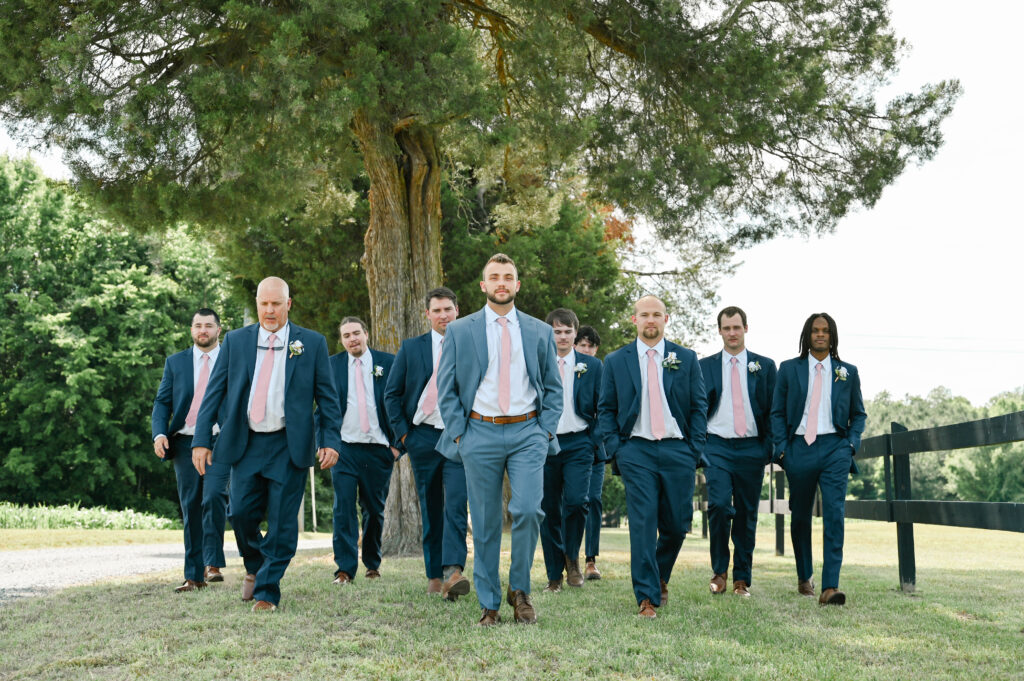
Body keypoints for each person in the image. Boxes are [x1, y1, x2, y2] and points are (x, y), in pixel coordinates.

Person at [192, 277, 342, 612]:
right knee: (241, 512)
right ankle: (255, 565)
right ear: (258, 304)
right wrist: (202, 440)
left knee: (283, 523)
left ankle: (267, 592)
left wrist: (330, 440)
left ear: (289, 304)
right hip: (245, 442)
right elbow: (213, 392)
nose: (270, 310)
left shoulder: (312, 343)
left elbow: (328, 399)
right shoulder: (236, 341)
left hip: (289, 445)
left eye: (277, 303)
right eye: (264, 303)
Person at [435, 253, 563, 626]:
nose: (502, 282)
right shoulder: (460, 330)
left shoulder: (540, 330)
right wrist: (461, 434)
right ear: (484, 285)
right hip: (479, 432)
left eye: (508, 276)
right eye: (495, 277)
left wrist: (546, 430)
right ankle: (489, 603)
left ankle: (519, 591)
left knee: (527, 510)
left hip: (528, 432)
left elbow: (553, 388)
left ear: (517, 284)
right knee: (488, 521)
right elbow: (446, 389)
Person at [597, 295, 707, 618]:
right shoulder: (616, 361)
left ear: (666, 319)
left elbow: (700, 406)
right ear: (634, 320)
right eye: (644, 315)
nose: (650, 320)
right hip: (636, 450)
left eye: (656, 314)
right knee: (643, 523)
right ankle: (646, 597)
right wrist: (618, 448)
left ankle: (658, 575)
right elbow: (606, 409)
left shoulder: (685, 358)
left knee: (676, 524)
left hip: (678, 450)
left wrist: (694, 448)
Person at [770, 312, 866, 606]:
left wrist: (850, 444)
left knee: (834, 514)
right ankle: (804, 575)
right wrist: (783, 450)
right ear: (807, 335)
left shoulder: (847, 372)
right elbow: (776, 413)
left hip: (835, 448)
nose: (820, 334)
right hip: (799, 447)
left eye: (825, 330)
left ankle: (830, 587)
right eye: (815, 330)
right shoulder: (788, 369)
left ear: (832, 336)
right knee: (799, 516)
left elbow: (858, 414)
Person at [384, 287, 470, 600]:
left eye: (448, 309)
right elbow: (391, 394)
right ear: (428, 314)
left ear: (457, 310)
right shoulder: (411, 348)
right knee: (431, 506)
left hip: (458, 436)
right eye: (437, 310)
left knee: (457, 503)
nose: (443, 315)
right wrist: (405, 436)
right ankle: (434, 574)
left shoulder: (470, 346)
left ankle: (453, 571)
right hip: (423, 437)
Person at [698, 306, 777, 597]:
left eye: (737, 327)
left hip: (751, 448)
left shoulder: (765, 366)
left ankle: (741, 579)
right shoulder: (704, 366)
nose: (732, 333)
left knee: (746, 514)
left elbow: (774, 410)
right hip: (716, 445)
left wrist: (769, 447)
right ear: (719, 330)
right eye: (726, 328)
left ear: (746, 328)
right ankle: (719, 571)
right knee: (718, 505)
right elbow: (696, 408)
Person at [151, 308, 231, 592]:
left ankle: (213, 562)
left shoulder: (231, 358)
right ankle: (194, 576)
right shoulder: (176, 362)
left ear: (218, 330)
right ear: (191, 330)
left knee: (214, 496)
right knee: (191, 506)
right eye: (198, 325)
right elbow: (162, 402)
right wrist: (159, 433)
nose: (203, 331)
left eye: (208, 326)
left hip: (220, 439)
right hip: (184, 441)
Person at [325, 316, 398, 585]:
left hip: (379, 449)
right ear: (341, 340)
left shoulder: (388, 363)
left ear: (366, 334)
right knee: (343, 508)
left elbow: (403, 400)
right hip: (343, 449)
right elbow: (323, 408)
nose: (352, 339)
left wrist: (396, 446)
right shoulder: (331, 366)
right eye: (346, 335)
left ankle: (372, 562)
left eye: (356, 333)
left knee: (373, 510)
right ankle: (344, 569)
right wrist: (326, 444)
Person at [539, 309, 603, 591]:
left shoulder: (593, 367)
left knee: (577, 502)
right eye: (557, 331)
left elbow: (606, 407)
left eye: (567, 332)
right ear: (549, 333)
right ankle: (554, 573)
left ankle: (572, 559)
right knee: (548, 508)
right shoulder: (538, 363)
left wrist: (593, 439)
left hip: (579, 443)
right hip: (544, 443)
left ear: (576, 334)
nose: (562, 337)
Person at [574, 325, 607, 580]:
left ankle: (591, 560)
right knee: (572, 503)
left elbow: (607, 410)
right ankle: (569, 557)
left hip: (595, 448)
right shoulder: (563, 369)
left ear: (596, 350)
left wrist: (594, 438)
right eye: (582, 345)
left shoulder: (602, 372)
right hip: (567, 450)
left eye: (590, 346)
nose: (586, 350)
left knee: (593, 500)